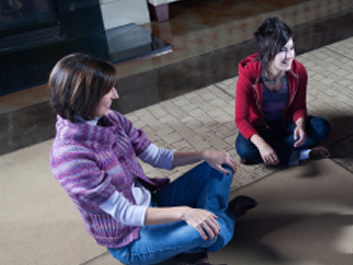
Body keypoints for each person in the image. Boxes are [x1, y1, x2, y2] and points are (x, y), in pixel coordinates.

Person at [48, 53, 257, 265]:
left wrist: (204, 155)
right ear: (85, 97)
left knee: (222, 165)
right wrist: (185, 213)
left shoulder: (111, 119)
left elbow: (156, 155)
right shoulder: (70, 157)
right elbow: (124, 213)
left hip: (152, 203)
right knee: (217, 229)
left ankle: (202, 235)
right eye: (107, 90)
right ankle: (223, 217)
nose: (116, 95)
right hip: (131, 237)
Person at [235, 17, 331, 167]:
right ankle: (301, 154)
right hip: (260, 126)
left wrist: (300, 124)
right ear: (267, 53)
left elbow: (299, 106)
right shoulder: (248, 75)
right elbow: (241, 119)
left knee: (322, 127)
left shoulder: (299, 71)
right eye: (282, 50)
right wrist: (261, 145)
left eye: (291, 48)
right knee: (245, 150)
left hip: (286, 124)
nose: (290, 56)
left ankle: (277, 152)